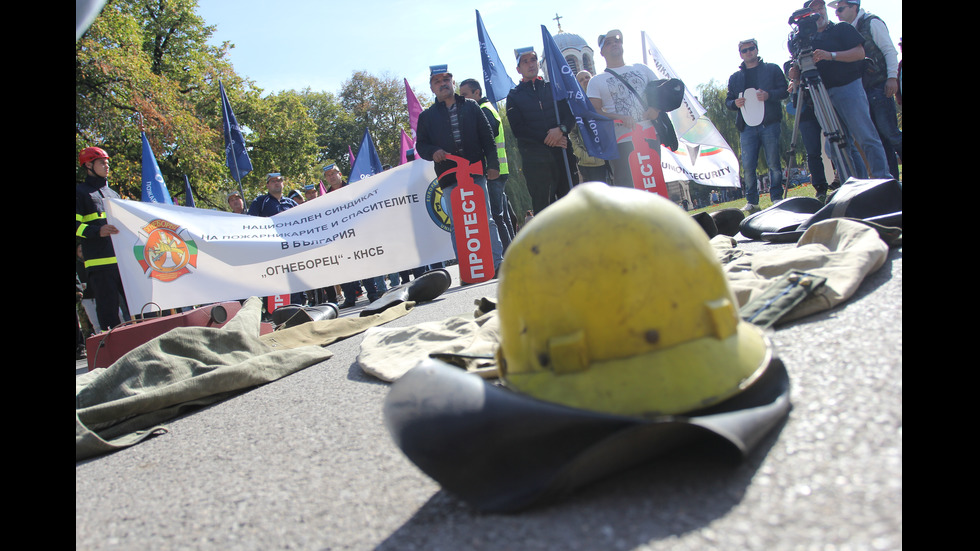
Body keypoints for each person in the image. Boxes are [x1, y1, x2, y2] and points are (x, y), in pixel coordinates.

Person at [789, 0, 892, 180]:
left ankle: (882, 180)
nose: (818, 12)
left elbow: (860, 53)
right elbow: (796, 66)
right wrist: (795, 73)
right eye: (813, 10)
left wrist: (831, 56)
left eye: (821, 7)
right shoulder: (803, 40)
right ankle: (854, 184)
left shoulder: (842, 29)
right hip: (821, 94)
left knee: (866, 136)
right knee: (836, 145)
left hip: (849, 87)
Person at [416, 64, 503, 274]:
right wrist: (433, 150)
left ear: (453, 83)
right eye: (437, 81)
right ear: (432, 88)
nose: (442, 84)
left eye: (446, 79)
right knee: (458, 224)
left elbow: (487, 138)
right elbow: (421, 146)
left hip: (474, 172)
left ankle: (498, 264)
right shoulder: (426, 117)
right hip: (448, 177)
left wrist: (493, 165)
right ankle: (468, 269)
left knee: (486, 218)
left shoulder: (472, 107)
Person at [831, 0, 902, 179]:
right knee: (879, 139)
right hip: (861, 91)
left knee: (891, 134)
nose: (837, 13)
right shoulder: (845, 32)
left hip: (879, 87)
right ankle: (890, 182)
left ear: (854, 7)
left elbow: (889, 51)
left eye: (840, 9)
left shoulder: (872, 22)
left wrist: (892, 77)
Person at [585, 30, 662, 189]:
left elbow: (662, 92)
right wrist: (618, 117)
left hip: (649, 135)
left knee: (653, 182)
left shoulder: (641, 68)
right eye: (608, 42)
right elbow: (593, 111)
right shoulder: (597, 81)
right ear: (602, 52)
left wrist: (656, 108)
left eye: (617, 40)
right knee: (627, 186)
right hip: (622, 140)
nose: (614, 44)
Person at [506, 47, 578, 215]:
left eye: (533, 60)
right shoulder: (514, 96)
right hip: (536, 161)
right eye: (525, 62)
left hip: (563, 153)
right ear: (518, 69)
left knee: (572, 204)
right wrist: (550, 137)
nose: (530, 64)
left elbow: (570, 116)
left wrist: (561, 130)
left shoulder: (554, 87)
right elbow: (519, 129)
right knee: (545, 209)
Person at [726, 38, 789, 213]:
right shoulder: (736, 77)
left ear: (757, 50)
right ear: (740, 54)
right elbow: (728, 101)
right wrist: (735, 103)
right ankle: (752, 200)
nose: (749, 53)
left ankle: (776, 196)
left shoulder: (772, 69)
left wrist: (769, 95)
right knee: (748, 166)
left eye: (751, 49)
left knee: (773, 162)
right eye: (745, 51)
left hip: (769, 123)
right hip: (746, 127)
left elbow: (784, 90)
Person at [75, 146, 130, 330]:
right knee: (109, 313)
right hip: (99, 264)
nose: (106, 166)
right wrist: (97, 231)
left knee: (136, 307)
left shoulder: (113, 194)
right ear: (88, 165)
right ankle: (113, 353)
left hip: (122, 263)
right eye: (101, 163)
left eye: (107, 163)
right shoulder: (80, 193)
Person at [459, 77, 515, 253]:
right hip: (498, 170)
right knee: (502, 216)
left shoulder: (483, 110)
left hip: (493, 171)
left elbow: (484, 139)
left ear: (477, 93)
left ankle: (507, 256)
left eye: (465, 95)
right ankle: (512, 253)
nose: (462, 99)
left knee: (497, 217)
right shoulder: (487, 108)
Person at [247, 173, 304, 305]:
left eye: (279, 180)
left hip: (290, 248)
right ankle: (276, 310)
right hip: (271, 251)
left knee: (294, 278)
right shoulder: (260, 202)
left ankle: (296, 305)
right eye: (273, 181)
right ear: (267, 185)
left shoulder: (291, 203)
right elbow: (250, 222)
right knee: (275, 281)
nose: (277, 183)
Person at [570, 70, 611, 185]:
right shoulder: (575, 107)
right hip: (590, 162)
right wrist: (583, 155)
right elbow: (572, 133)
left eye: (587, 77)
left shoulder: (605, 100)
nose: (586, 81)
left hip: (611, 158)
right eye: (581, 80)